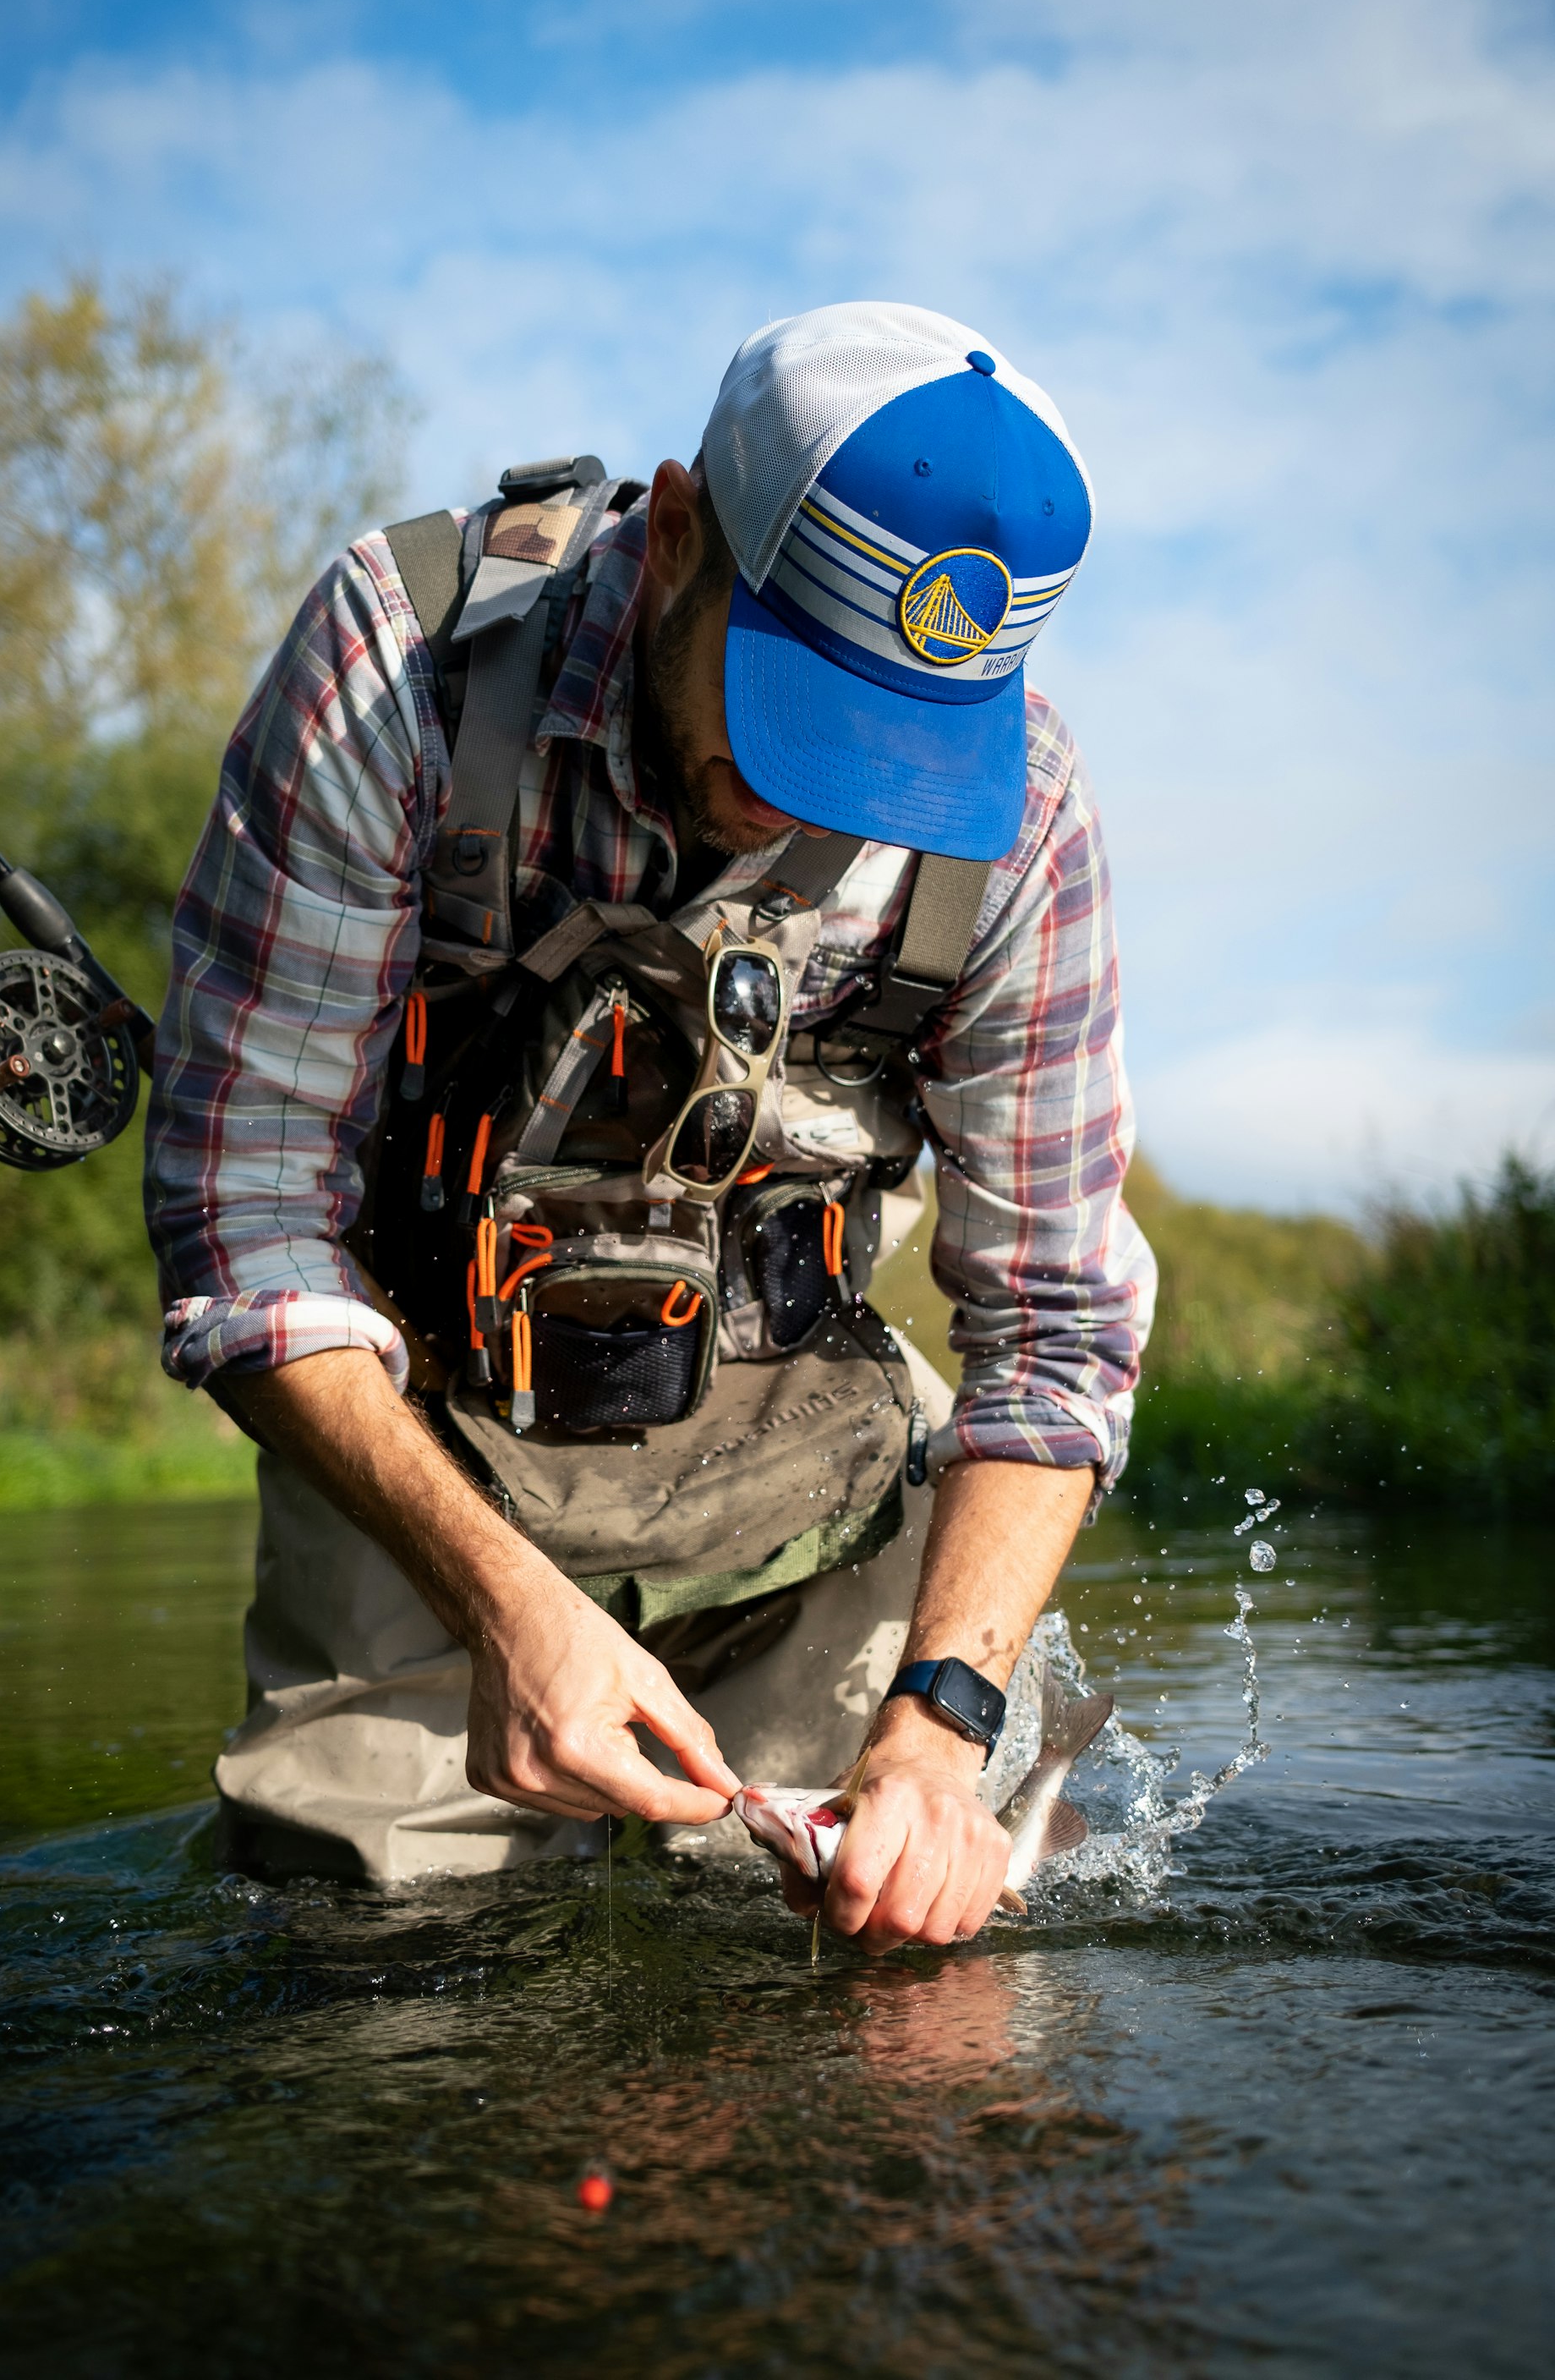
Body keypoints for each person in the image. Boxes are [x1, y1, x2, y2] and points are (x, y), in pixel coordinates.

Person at [144, 301, 1155, 1950]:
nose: (827, 810)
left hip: (817, 1484)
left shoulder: (1023, 813)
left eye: (894, 757)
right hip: (424, 1459)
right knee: (381, 2029)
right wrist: (503, 1601)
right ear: (678, 530)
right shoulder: (397, 666)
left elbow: (1054, 1327)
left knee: (933, 2020)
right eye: (796, 724)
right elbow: (242, 1210)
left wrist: (942, 1719)